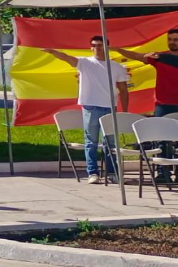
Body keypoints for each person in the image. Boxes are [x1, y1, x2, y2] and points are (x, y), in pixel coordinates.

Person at [43, 35, 129, 185]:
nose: (97, 48)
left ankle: (112, 173)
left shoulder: (117, 67)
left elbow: (123, 89)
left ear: (107, 47)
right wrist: (53, 52)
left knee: (110, 143)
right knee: (91, 142)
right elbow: (66, 57)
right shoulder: (84, 63)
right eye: (94, 45)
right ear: (90, 47)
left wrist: (125, 111)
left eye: (100, 45)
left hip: (110, 107)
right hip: (90, 106)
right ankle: (93, 173)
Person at [117, 31, 178, 182]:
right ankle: (162, 173)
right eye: (170, 39)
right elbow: (137, 56)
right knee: (161, 140)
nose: (172, 42)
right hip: (163, 105)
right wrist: (118, 49)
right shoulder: (160, 57)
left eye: (176, 40)